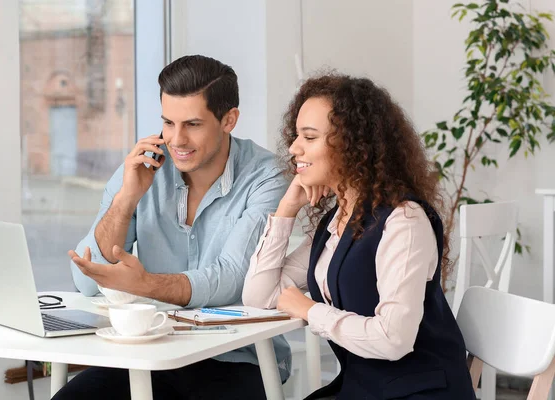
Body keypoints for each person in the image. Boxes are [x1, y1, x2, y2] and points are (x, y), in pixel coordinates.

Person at [55, 55, 291, 400]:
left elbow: (232, 278)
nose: (176, 139)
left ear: (229, 120)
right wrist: (127, 198)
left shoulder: (267, 176)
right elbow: (86, 281)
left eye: (193, 124)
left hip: (234, 356)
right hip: (151, 349)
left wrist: (145, 285)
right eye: (168, 122)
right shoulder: (143, 166)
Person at [242, 73, 476, 399]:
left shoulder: (404, 221)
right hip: (365, 387)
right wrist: (286, 209)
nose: (294, 148)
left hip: (420, 391)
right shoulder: (339, 220)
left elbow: (394, 339)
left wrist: (310, 311)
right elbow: (259, 295)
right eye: (296, 136)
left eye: (309, 137)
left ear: (352, 145)